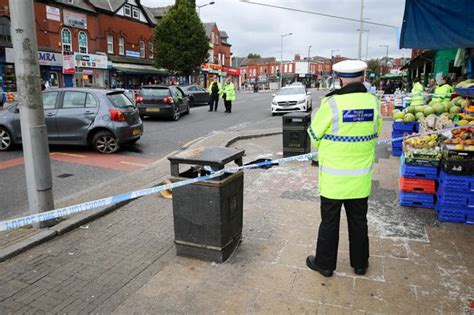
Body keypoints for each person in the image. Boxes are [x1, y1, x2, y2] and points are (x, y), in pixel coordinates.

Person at [305, 60, 383, 278]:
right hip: (360, 180)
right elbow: (376, 132)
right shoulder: (373, 102)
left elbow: (314, 136)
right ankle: (360, 264)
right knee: (359, 221)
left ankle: (325, 265)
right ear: (363, 76)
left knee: (329, 222)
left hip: (333, 180)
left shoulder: (331, 104)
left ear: (339, 78)